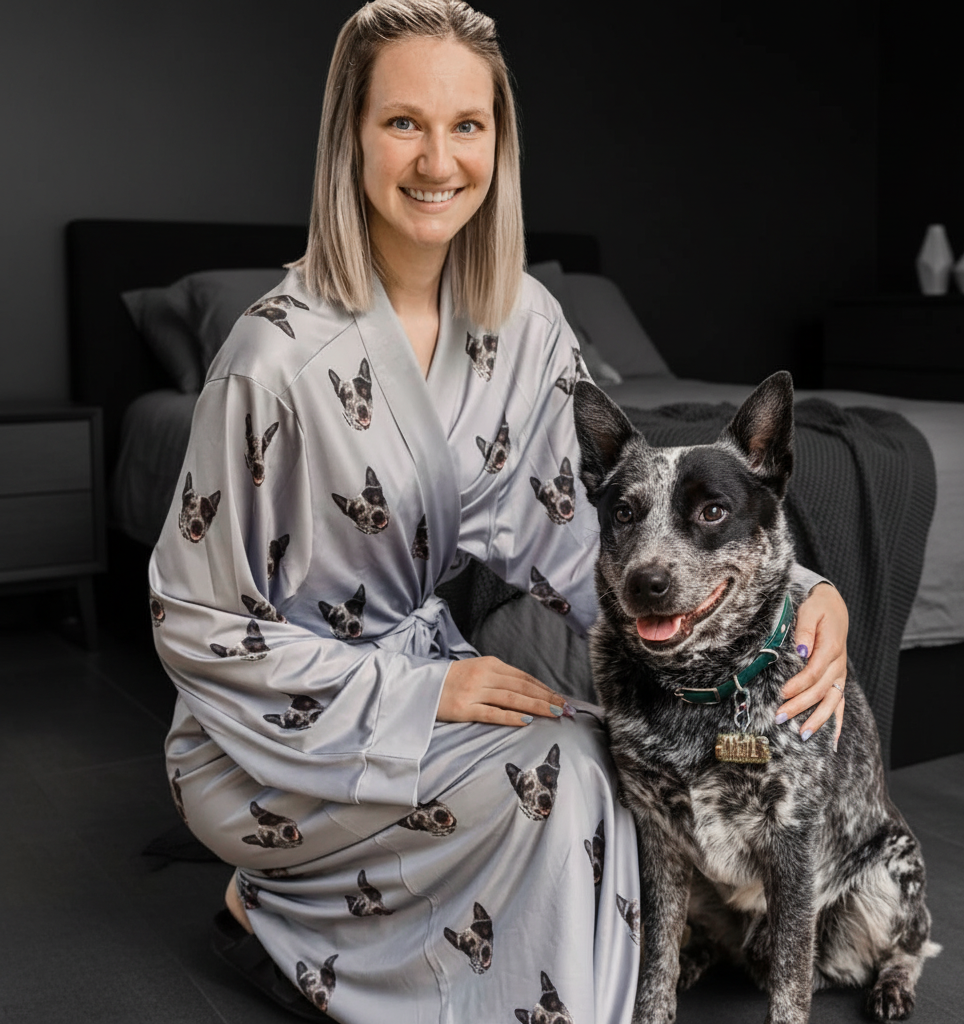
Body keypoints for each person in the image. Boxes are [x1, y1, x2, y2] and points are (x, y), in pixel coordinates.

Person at [148, 2, 850, 1021]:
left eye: (466, 125)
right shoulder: (270, 358)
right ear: (350, 135)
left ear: (498, 143)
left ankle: (337, 926)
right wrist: (421, 692)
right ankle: (284, 911)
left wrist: (804, 595)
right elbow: (194, 623)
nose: (438, 161)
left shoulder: (523, 322)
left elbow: (588, 539)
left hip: (428, 678)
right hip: (269, 730)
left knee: (607, 758)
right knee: (563, 779)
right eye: (403, 122)